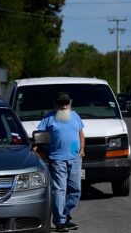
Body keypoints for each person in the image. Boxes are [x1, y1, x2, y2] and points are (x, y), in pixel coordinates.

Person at [37, 92, 85, 232]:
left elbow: (81, 133)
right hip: (57, 159)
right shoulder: (49, 118)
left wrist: (82, 149)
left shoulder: (75, 116)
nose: (64, 105)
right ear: (56, 104)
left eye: (66, 102)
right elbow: (39, 135)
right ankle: (60, 221)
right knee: (59, 190)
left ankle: (64, 217)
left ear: (70, 102)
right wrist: (35, 150)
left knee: (75, 190)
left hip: (75, 158)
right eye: (60, 103)